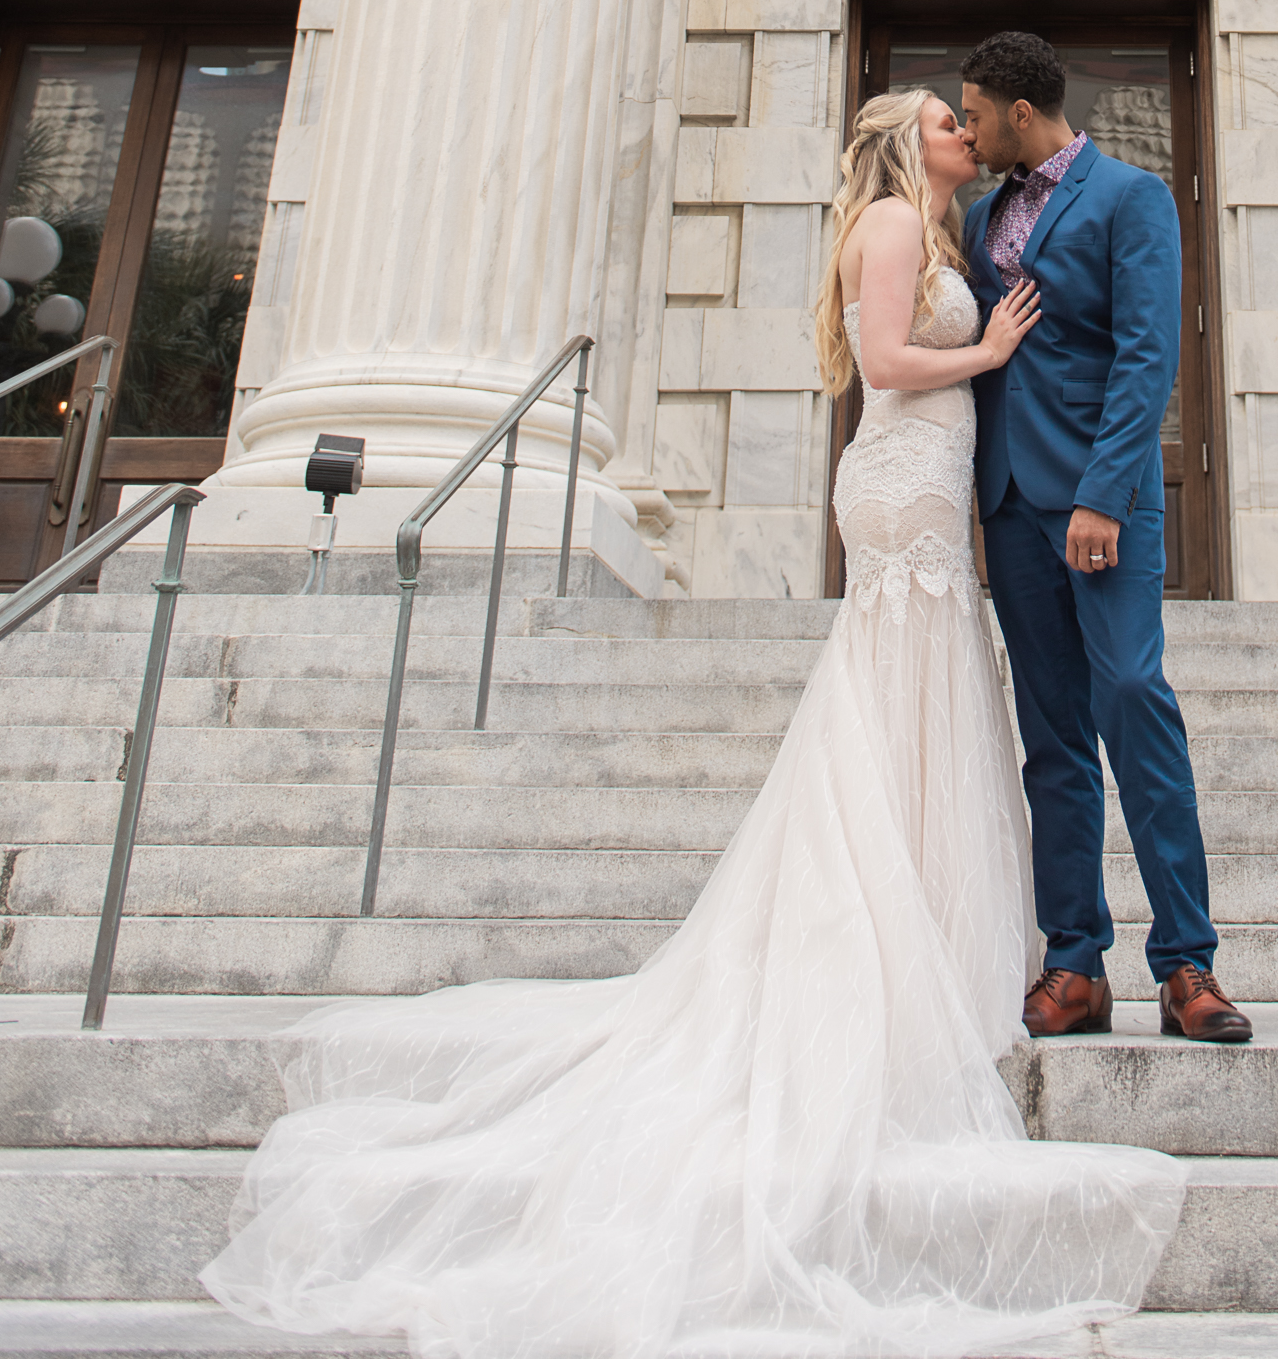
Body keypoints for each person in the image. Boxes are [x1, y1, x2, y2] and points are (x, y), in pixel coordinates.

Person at [201, 87, 1183, 1359]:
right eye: (946, 118)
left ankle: (957, 934)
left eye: (971, 116)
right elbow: (885, 364)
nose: (964, 130)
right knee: (906, 694)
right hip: (904, 487)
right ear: (905, 143)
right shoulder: (892, 226)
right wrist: (987, 356)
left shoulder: (962, 226)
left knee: (945, 701)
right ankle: (892, 936)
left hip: (952, 488)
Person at [958, 30, 1252, 1048]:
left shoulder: (1133, 198)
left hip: (1099, 502)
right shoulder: (977, 213)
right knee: (1052, 741)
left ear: (1021, 112)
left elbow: (1146, 356)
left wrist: (1101, 495)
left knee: (1131, 699)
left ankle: (1187, 964)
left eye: (974, 111)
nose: (966, 126)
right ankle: (1074, 963)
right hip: (1005, 502)